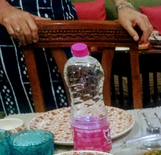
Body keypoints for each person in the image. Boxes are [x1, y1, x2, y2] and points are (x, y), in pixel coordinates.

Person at [0, 0, 152, 115]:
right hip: (13, 35)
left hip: (67, 31)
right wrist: (4, 10)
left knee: (81, 112)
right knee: (25, 123)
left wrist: (123, 5)